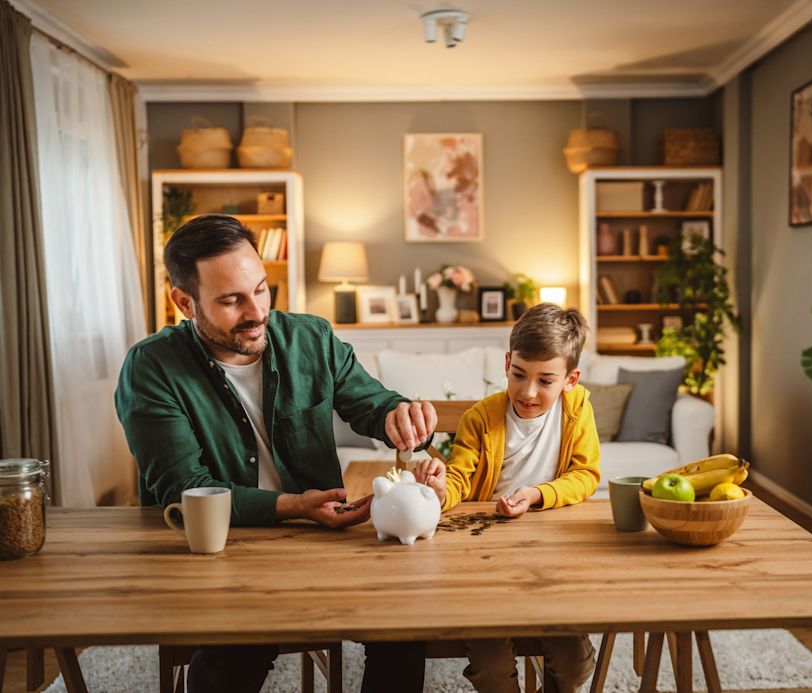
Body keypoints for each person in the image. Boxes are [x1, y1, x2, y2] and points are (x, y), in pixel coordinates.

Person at [115, 214, 433, 693]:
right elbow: (185, 491)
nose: (257, 310)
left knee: (403, 627)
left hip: (323, 543)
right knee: (239, 648)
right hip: (226, 549)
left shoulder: (312, 338)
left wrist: (398, 415)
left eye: (261, 290)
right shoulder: (152, 367)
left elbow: (372, 404)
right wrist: (294, 507)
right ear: (185, 301)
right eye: (231, 300)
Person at [415, 302, 600, 693]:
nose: (528, 391)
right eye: (519, 375)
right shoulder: (481, 418)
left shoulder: (578, 410)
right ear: (506, 364)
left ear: (570, 379)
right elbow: (461, 482)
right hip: (485, 560)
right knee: (491, 666)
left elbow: (585, 475)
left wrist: (537, 494)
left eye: (545, 380)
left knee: (573, 662)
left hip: (553, 554)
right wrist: (439, 488)